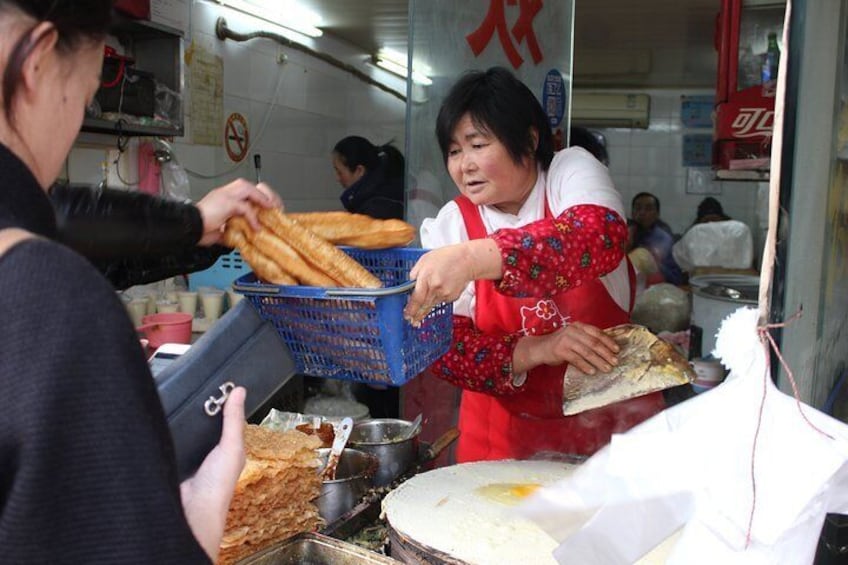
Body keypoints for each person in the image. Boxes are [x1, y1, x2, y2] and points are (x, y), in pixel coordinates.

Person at [0, 2, 250, 561]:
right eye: (86, 96)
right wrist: (199, 517)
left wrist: (190, 224)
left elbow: (46, 216)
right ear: (38, 63)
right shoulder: (52, 302)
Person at [402, 67, 665, 462]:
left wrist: (474, 258)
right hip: (501, 437)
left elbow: (598, 238)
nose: (464, 165)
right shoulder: (452, 224)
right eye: (454, 151)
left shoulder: (569, 173)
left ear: (528, 138)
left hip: (608, 430)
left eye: (477, 144)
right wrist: (538, 349)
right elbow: (446, 349)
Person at [50, 178, 282, 289]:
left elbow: (117, 265)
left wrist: (207, 237)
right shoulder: (25, 207)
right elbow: (55, 217)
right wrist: (194, 220)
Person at [332, 135, 405, 220]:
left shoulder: (377, 209)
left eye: (339, 172)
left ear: (359, 170)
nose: (337, 178)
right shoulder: (372, 198)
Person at [628, 192, 684, 285]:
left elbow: (677, 278)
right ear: (632, 212)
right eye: (638, 208)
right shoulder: (624, 234)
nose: (642, 213)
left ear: (657, 214)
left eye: (648, 209)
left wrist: (656, 264)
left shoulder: (664, 240)